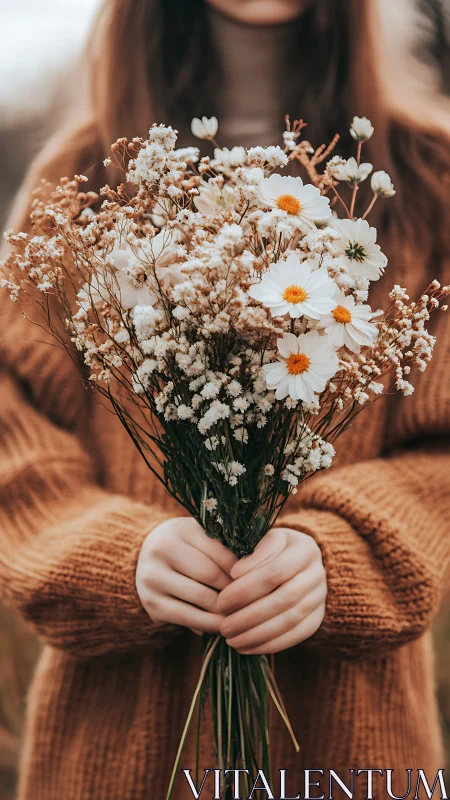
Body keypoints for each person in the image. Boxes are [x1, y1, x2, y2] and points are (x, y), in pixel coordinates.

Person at [1, 1, 450, 798]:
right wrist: (118, 555)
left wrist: (344, 549)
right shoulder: (79, 186)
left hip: (348, 751)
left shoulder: (430, 181)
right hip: (116, 754)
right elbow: (15, 439)